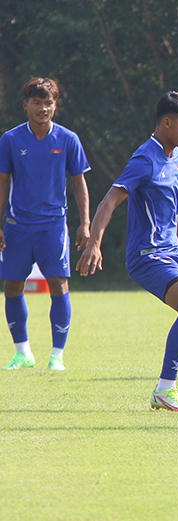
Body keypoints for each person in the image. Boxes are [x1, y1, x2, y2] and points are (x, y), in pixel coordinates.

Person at [77, 91, 178, 412]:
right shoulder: (144, 158)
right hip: (147, 255)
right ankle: (164, 390)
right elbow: (109, 200)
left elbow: (170, 202)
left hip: (173, 252)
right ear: (167, 122)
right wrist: (95, 243)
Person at [0, 77, 91, 371]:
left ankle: (57, 356)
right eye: (37, 102)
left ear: (55, 105)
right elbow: (2, 184)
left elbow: (79, 184)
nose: (43, 108)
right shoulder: (10, 140)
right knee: (12, 286)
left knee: (58, 283)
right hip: (17, 226)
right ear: (26, 105)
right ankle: (23, 352)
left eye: (48, 102)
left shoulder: (68, 139)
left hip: (53, 225)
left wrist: (85, 223)